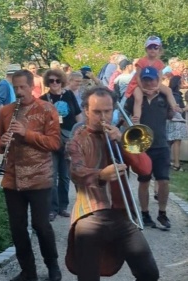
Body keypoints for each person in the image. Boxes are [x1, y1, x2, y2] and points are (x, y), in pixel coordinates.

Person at [65, 86, 159, 281]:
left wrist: (124, 144)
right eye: (97, 112)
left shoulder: (121, 136)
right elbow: (76, 172)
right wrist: (101, 174)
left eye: (107, 111)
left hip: (122, 214)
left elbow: (145, 169)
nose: (103, 117)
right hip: (90, 216)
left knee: (149, 273)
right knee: (88, 277)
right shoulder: (76, 141)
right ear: (85, 110)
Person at [0, 70, 62, 281]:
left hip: (39, 177)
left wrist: (27, 133)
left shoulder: (46, 109)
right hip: (12, 179)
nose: (18, 91)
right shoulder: (6, 111)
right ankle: (28, 271)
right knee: (17, 227)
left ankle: (53, 266)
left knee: (41, 225)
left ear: (32, 86)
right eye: (15, 88)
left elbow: (54, 143)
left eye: (23, 87)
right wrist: (1, 143)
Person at [124, 66, 174, 230]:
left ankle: (162, 213)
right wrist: (130, 121)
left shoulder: (164, 95)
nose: (149, 82)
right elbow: (124, 118)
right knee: (144, 181)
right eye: (145, 79)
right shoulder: (135, 96)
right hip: (142, 146)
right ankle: (145, 214)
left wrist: (175, 109)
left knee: (164, 180)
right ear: (142, 80)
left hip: (161, 144)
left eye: (151, 79)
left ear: (157, 79)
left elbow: (171, 114)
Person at [40, 69, 83, 221]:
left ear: (62, 81)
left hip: (68, 138)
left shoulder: (69, 95)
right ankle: (53, 208)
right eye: (51, 81)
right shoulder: (43, 99)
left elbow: (78, 114)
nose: (55, 84)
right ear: (47, 82)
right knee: (52, 176)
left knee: (65, 176)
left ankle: (63, 207)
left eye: (57, 81)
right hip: (51, 140)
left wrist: (81, 132)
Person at [125, 36, 180, 123]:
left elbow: (160, 76)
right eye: (150, 47)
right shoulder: (141, 61)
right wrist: (142, 88)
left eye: (155, 48)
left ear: (159, 50)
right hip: (139, 83)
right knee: (138, 98)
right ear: (146, 49)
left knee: (168, 90)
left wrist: (157, 87)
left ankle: (175, 108)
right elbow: (137, 76)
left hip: (154, 82)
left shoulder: (159, 63)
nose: (153, 50)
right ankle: (137, 118)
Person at [0, 63, 21, 175]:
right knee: (0, 142)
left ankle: (4, 165)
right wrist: (7, 116)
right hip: (1, 119)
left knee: (7, 142)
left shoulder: (10, 85)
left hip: (7, 118)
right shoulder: (4, 85)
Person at [166, 76, 188, 171]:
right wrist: (185, 108)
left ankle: (166, 161)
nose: (183, 83)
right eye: (181, 82)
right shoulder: (175, 95)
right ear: (178, 83)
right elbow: (177, 109)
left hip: (172, 121)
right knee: (176, 142)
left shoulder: (173, 94)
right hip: (176, 121)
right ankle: (176, 164)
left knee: (169, 142)